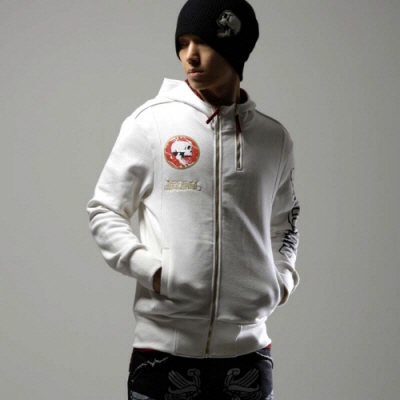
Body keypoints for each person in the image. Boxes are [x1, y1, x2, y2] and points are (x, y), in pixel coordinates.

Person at [87, 0, 300, 398]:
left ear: (235, 49)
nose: (190, 55)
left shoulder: (274, 139)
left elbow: (285, 221)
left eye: (203, 43)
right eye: (183, 43)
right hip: (162, 351)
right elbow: (105, 210)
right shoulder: (151, 123)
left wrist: (281, 280)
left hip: (248, 354)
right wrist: (155, 272)